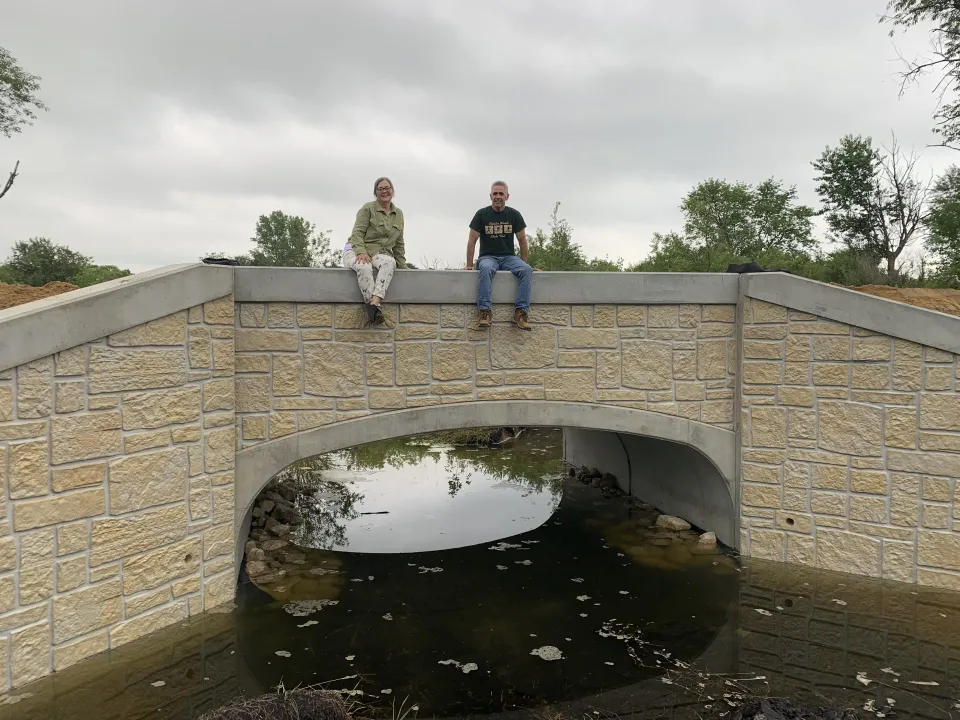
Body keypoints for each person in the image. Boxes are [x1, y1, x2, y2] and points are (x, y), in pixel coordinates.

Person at [465, 180, 533, 330]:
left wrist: (525, 263)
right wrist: (469, 265)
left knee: (526, 270)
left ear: (507, 196)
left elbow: (522, 240)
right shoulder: (482, 214)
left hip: (509, 257)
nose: (498, 196)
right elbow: (472, 241)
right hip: (488, 257)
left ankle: (520, 313)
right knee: (487, 269)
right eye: (495, 193)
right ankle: (484, 312)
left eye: (501, 194)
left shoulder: (514, 215)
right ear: (490, 196)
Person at [343, 177, 406, 325]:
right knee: (363, 266)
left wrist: (403, 267)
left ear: (392, 190)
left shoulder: (399, 214)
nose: (384, 191)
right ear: (375, 193)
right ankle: (375, 309)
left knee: (390, 262)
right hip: (356, 249)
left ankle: (373, 303)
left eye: (387, 188)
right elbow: (357, 233)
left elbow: (399, 244)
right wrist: (360, 252)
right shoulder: (367, 208)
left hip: (378, 253)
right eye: (380, 189)